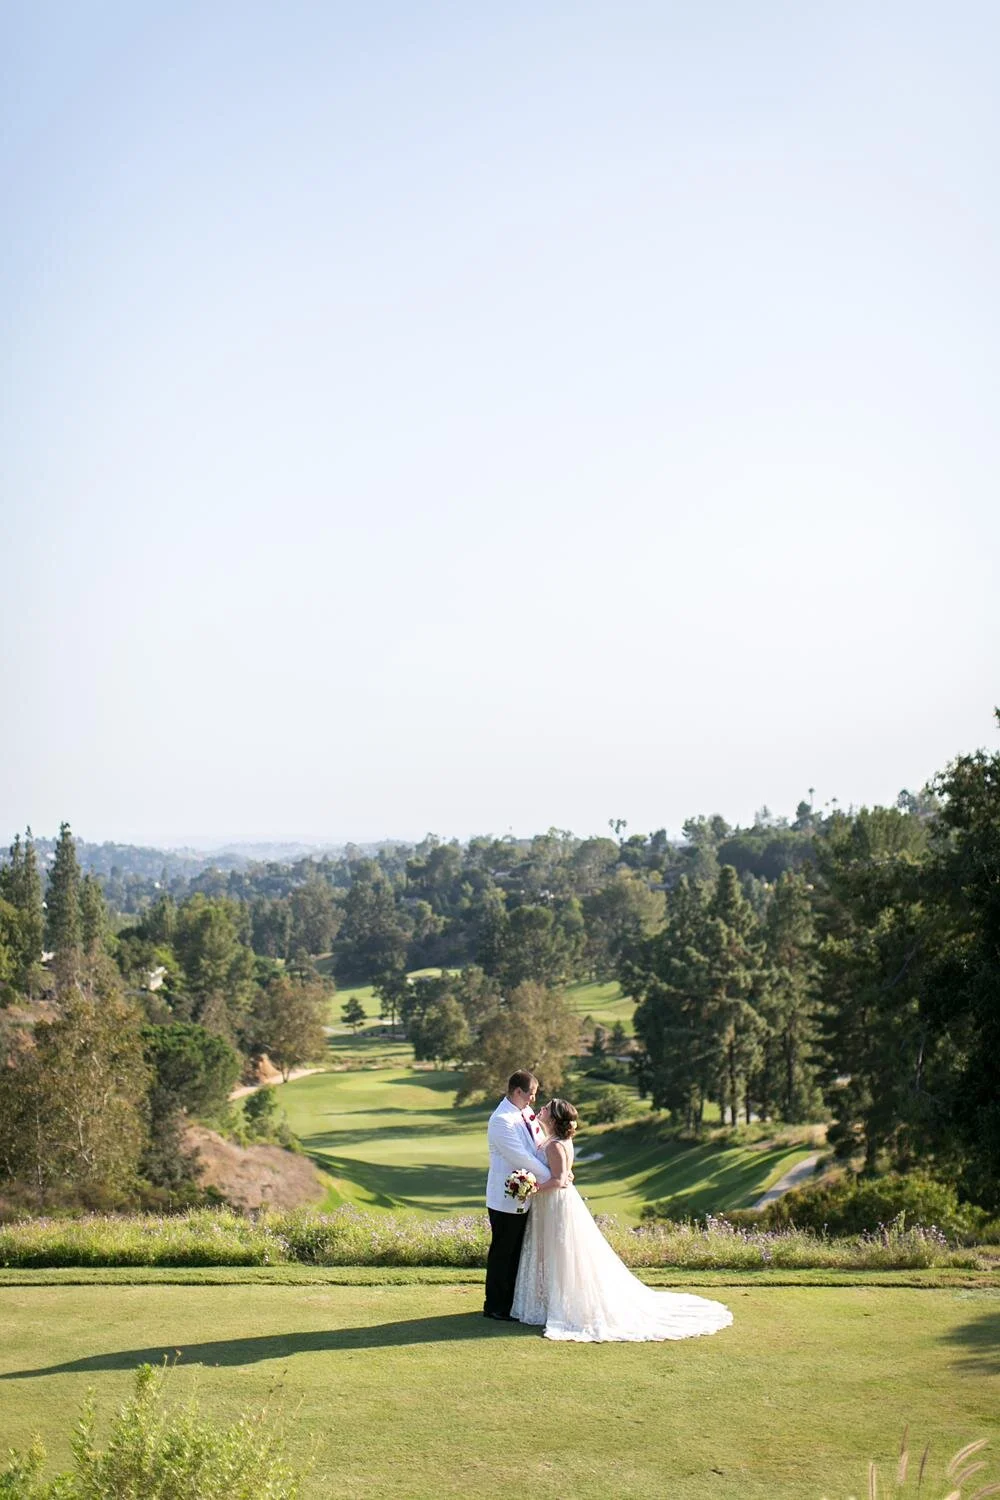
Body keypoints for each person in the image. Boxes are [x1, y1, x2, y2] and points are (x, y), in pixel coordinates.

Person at [511, 1097, 734, 1342]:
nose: (541, 1108)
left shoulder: (554, 1145)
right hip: (552, 1205)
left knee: (561, 1253)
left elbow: (560, 1180)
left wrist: (532, 1189)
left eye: (546, 1108)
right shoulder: (555, 1141)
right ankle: (548, 1301)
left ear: (553, 1118)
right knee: (555, 1252)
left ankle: (559, 1305)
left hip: (555, 1204)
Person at [483, 1070, 553, 1321]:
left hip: (526, 1195)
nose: (533, 1100)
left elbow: (538, 1145)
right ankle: (494, 1305)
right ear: (517, 1091)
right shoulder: (501, 1120)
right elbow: (519, 1157)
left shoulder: (524, 1113)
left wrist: (558, 1168)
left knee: (518, 1252)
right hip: (505, 1198)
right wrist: (551, 1178)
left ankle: (511, 1303)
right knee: (503, 1251)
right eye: (530, 1094)